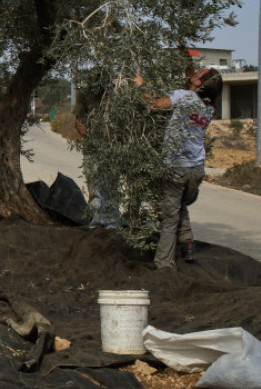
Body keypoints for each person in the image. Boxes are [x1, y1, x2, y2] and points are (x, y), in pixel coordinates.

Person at [135, 67, 223, 270]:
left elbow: (153, 106)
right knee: (181, 204)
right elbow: (192, 78)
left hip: (177, 167)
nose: (197, 71)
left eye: (200, 73)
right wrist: (188, 70)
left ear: (200, 83)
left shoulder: (183, 97)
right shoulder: (209, 108)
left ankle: (164, 264)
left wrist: (142, 86)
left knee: (170, 218)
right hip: (197, 169)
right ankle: (188, 243)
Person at [73, 79, 120, 230]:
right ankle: (96, 224)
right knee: (95, 189)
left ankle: (111, 224)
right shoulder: (85, 95)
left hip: (112, 149)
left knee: (111, 187)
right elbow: (78, 120)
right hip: (92, 148)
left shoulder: (115, 94)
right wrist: (89, 135)